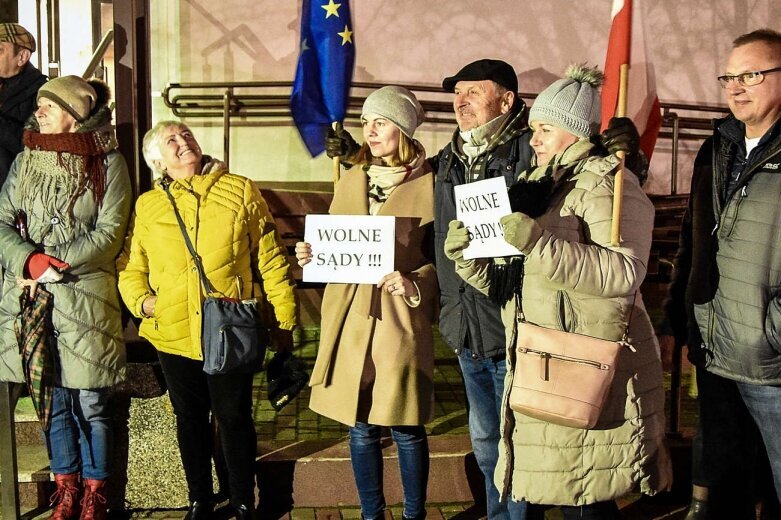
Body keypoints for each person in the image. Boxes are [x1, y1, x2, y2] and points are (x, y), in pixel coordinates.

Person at [326, 59, 643, 520]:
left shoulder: (527, 152)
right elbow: (398, 175)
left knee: (529, 446)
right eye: (458, 93)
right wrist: (360, 151)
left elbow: (575, 180)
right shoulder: (451, 158)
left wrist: (625, 155)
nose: (461, 101)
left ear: (507, 100)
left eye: (473, 92)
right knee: (487, 443)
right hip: (465, 325)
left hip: (519, 324)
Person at [444, 64, 671, 520]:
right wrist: (467, 259)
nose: (535, 140)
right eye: (534, 130)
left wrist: (536, 241)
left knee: (585, 495)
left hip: (583, 365)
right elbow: (512, 285)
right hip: (536, 360)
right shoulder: (538, 185)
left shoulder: (611, 183)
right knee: (558, 488)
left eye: (545, 129)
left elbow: (624, 272)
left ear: (574, 131)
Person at [117, 121, 298, 520]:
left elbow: (269, 257)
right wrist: (144, 304)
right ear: (158, 162)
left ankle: (242, 499)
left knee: (234, 417)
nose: (183, 142)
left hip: (229, 330)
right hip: (173, 333)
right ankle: (199, 498)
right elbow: (131, 266)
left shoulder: (240, 189)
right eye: (171, 140)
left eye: (185, 135)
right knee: (190, 418)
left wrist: (283, 319)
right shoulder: (148, 205)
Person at [297, 86, 436, 520]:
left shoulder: (432, 185)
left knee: (406, 425)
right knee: (360, 426)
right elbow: (337, 246)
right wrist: (311, 256)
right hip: (352, 320)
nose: (370, 131)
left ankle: (414, 514)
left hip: (398, 320)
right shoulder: (352, 177)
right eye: (366, 122)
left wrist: (414, 282)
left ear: (403, 128)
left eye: (380, 122)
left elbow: (444, 262)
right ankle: (371, 514)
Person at [658, 28, 781, 518]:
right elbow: (693, 240)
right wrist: (680, 317)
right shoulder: (717, 147)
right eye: (729, 75)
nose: (735, 85)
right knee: (723, 487)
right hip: (713, 351)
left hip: (771, 362)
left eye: (751, 74)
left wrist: (772, 332)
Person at [0, 75, 132, 520]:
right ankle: (66, 490)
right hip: (32, 297)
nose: (39, 112)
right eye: (39, 105)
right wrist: (30, 262)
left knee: (92, 403)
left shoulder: (109, 163)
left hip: (84, 298)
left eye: (49, 106)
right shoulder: (25, 161)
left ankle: (95, 492)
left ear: (74, 117)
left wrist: (54, 264)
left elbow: (109, 232)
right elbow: (0, 221)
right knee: (51, 400)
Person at [0, 22, 47, 186]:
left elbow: (37, 145)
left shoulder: (43, 94)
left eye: (0, 50)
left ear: (22, 57)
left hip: (13, 190)